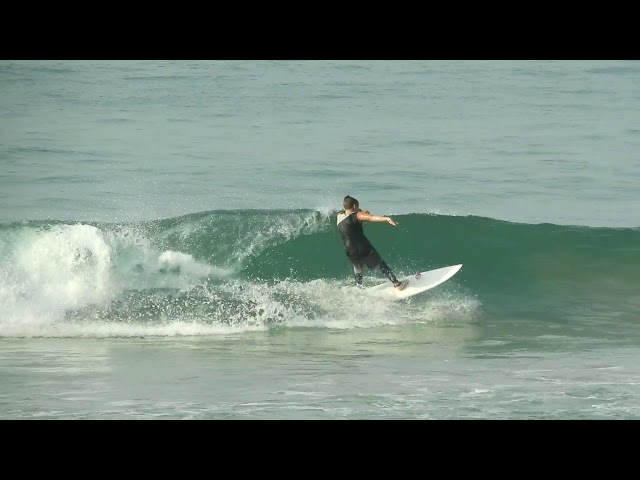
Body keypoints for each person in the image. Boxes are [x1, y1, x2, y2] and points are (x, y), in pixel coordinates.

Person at [336, 195, 407, 290]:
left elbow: (355, 217)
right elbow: (370, 218)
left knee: (358, 266)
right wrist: (386, 219)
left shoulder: (340, 216)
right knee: (381, 264)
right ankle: (397, 284)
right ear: (354, 206)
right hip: (362, 248)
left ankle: (358, 287)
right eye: (357, 206)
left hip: (350, 250)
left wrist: (363, 213)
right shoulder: (356, 216)